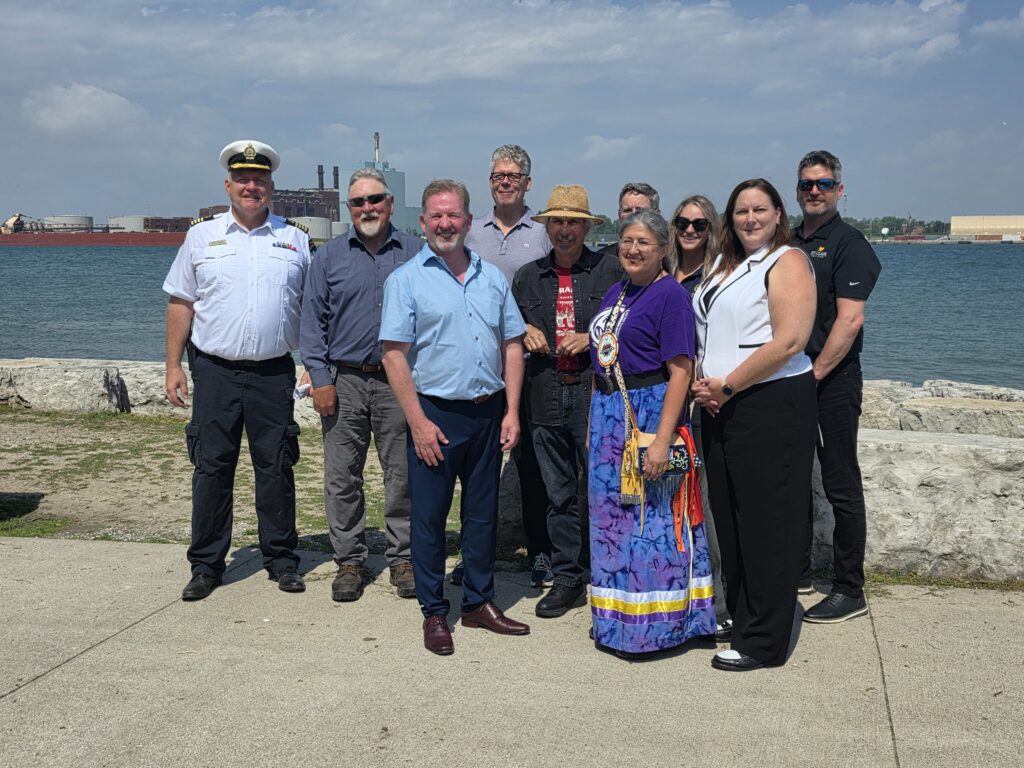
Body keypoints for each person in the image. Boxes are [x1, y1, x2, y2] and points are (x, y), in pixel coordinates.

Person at [380, 179, 531, 655]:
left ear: (468, 221)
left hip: (488, 414)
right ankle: (434, 611)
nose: (445, 223)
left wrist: (511, 411)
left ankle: (477, 603)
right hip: (436, 416)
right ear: (423, 222)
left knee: (481, 516)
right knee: (428, 519)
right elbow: (393, 356)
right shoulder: (405, 279)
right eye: (436, 216)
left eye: (454, 215)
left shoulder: (491, 278)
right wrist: (418, 422)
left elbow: (512, 344)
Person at [164, 139, 312, 600]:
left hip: (274, 373)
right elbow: (181, 302)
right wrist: (173, 365)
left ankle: (282, 559)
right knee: (211, 468)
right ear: (228, 185)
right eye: (244, 179)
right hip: (214, 372)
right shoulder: (201, 237)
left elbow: (310, 308)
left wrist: (309, 362)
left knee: (276, 468)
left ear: (272, 186)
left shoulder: (296, 238)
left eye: (260, 179)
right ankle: (206, 565)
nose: (252, 186)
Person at [691, 178, 818, 671]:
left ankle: (764, 640)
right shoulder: (729, 265)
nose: (749, 218)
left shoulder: (787, 261)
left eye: (759, 209)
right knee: (733, 517)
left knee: (768, 521)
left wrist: (728, 385)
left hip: (769, 402)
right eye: (740, 211)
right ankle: (744, 617)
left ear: (778, 214)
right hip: (724, 405)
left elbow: (789, 342)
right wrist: (708, 384)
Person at [587, 209, 715, 657]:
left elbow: (681, 370)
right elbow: (602, 364)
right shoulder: (616, 291)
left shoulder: (670, 297)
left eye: (644, 242)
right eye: (627, 241)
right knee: (612, 524)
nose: (633, 249)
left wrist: (661, 441)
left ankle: (655, 628)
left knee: (652, 525)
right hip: (609, 417)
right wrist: (593, 426)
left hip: (647, 415)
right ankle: (616, 621)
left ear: (664, 249)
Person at [299, 168, 421, 603]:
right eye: (358, 202)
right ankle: (350, 560)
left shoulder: (417, 253)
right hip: (344, 381)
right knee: (341, 477)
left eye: (375, 200)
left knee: (402, 475)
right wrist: (319, 379)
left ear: (390, 203)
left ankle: (402, 557)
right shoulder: (328, 257)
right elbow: (311, 325)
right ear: (347, 208)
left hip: (398, 383)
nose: (367, 208)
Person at [512, 185, 624, 619]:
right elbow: (507, 327)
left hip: (594, 393)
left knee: (605, 488)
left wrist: (596, 339)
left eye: (572, 222)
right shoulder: (526, 277)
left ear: (585, 227)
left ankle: (611, 572)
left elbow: (632, 328)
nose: (564, 230)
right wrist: (523, 329)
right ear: (548, 227)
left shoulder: (611, 272)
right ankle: (567, 577)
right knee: (559, 494)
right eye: (557, 222)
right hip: (544, 394)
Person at [791, 150, 882, 624]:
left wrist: (815, 375)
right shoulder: (789, 241)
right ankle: (796, 572)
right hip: (790, 379)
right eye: (806, 184)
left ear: (838, 190)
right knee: (791, 478)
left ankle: (850, 589)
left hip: (831, 380)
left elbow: (849, 321)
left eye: (822, 184)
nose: (813, 191)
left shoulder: (849, 243)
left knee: (840, 483)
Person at [465, 144, 553, 588]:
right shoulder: (470, 231)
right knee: (475, 464)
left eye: (513, 176)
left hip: (530, 364)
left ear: (527, 183)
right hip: (479, 362)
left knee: (531, 464)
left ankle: (541, 550)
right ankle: (473, 552)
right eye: (498, 174)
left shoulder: (543, 232)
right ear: (490, 180)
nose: (505, 181)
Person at [667, 194, 732, 640]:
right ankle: (674, 595)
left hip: (702, 404)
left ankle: (721, 603)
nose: (690, 230)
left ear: (713, 229)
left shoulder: (721, 276)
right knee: (669, 506)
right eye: (682, 222)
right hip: (662, 406)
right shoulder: (660, 273)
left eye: (700, 224)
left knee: (704, 507)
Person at [599, 182, 661, 257]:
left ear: (657, 214)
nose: (633, 215)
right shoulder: (602, 261)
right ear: (619, 215)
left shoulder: (673, 261)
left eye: (640, 210)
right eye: (628, 210)